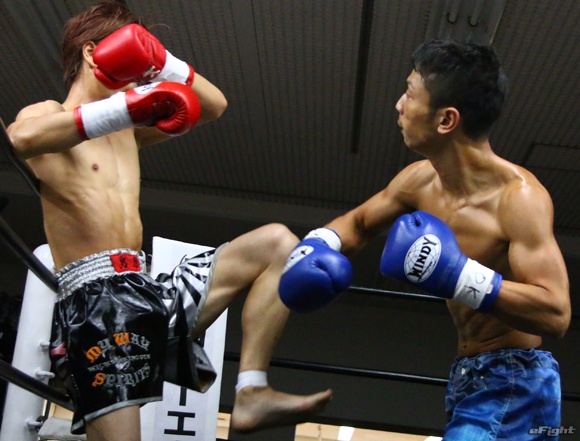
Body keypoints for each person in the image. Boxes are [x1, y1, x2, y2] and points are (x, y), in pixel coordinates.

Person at [7, 1, 332, 439]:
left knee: (278, 242)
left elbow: (214, 105)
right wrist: (124, 109)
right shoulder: (52, 115)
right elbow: (19, 139)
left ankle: (252, 391)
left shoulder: (126, 130)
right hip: (97, 308)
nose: (138, 76)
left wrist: (163, 63)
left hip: (149, 292)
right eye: (131, 59)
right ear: (91, 52)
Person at [280, 39, 571, 440]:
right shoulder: (418, 181)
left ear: (446, 120)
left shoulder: (518, 199)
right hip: (468, 376)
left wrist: (457, 274)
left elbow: (555, 313)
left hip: (517, 380)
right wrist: (317, 244)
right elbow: (359, 224)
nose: (399, 105)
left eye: (410, 93)